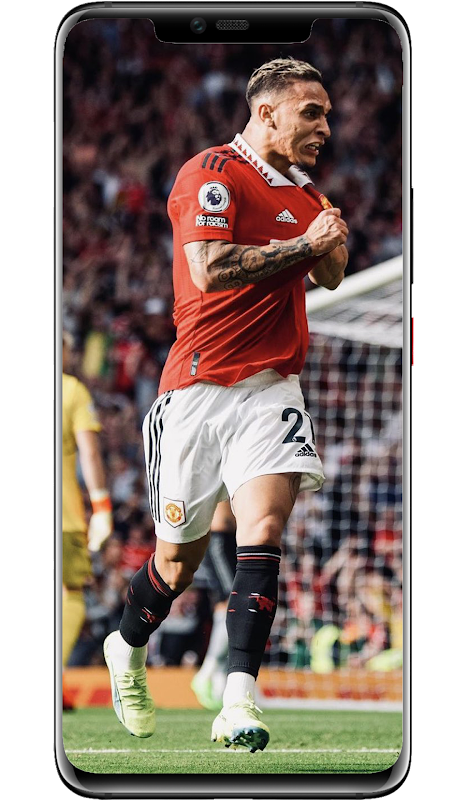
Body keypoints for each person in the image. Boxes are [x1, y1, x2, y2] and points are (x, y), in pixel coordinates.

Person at [103, 57, 348, 752]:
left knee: (263, 530)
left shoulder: (308, 196)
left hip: (272, 388)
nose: (325, 128)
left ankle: (239, 700)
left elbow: (332, 275)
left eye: (327, 115)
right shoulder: (211, 172)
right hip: (197, 390)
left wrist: (329, 241)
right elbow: (209, 271)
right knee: (176, 565)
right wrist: (305, 243)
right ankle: (127, 646)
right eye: (311, 113)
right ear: (266, 112)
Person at [62, 332, 114, 707]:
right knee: (71, 593)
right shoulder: (71, 390)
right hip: (63, 517)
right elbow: (90, 453)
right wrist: (102, 507)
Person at [191, 500, 237, 710]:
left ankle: (219, 681)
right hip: (219, 538)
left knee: (225, 605)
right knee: (234, 601)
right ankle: (206, 672)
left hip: (231, 537)